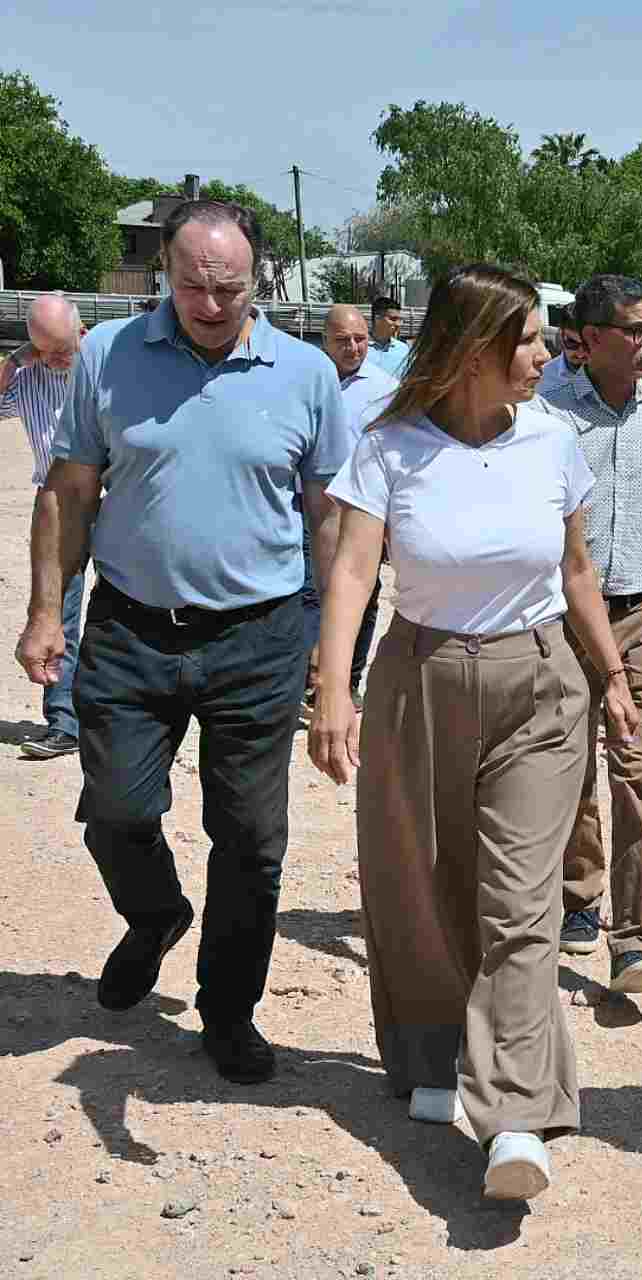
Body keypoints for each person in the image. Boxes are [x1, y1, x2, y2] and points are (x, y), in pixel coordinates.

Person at [308, 264, 640, 1200]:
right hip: (420, 677)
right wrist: (332, 690)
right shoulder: (391, 448)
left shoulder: (553, 441)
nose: (546, 353)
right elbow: (353, 573)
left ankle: (517, 1115)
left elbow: (576, 573)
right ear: (472, 349)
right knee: (423, 884)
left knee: (521, 903)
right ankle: (431, 1054)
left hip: (539, 685)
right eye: (527, 339)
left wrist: (612, 674)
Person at [15, 200, 353, 1083]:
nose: (209, 304)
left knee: (251, 839)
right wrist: (47, 610)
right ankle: (156, 913)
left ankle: (228, 1011)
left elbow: (331, 520)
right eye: (192, 285)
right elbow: (68, 491)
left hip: (258, 639)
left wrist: (333, 648)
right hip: (130, 629)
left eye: (229, 288)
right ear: (164, 272)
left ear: (258, 280)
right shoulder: (109, 354)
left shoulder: (306, 375)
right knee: (118, 810)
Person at [538, 274, 642, 991]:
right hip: (564, 621)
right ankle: (580, 896)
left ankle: (635, 939)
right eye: (634, 330)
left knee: (636, 772)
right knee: (571, 767)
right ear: (591, 339)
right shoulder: (547, 418)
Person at [1, 293, 87, 759]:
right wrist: (16, 361)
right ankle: (64, 723)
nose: (54, 360)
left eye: (62, 348)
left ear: (81, 331)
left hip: (115, 499)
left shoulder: (104, 367)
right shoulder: (27, 376)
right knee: (56, 612)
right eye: (44, 350)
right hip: (55, 506)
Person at [316, 304, 399, 704]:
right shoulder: (310, 381)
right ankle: (306, 679)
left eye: (360, 339)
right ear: (324, 341)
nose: (352, 348)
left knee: (362, 595)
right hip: (309, 509)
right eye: (342, 340)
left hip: (361, 512)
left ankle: (348, 681)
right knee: (306, 593)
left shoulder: (387, 391)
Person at [364, 296, 410, 376]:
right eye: (393, 319)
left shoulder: (403, 349)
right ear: (377, 318)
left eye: (399, 319)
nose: (398, 324)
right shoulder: (360, 347)